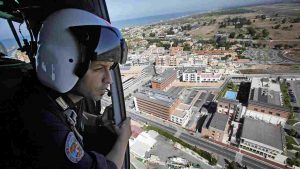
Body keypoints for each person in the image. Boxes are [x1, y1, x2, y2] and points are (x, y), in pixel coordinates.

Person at [15, 8, 131, 169]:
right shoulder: (43, 123)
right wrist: (124, 138)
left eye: (110, 68)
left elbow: (70, 116)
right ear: (62, 63)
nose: (109, 79)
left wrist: (98, 121)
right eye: (98, 68)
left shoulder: (57, 97)